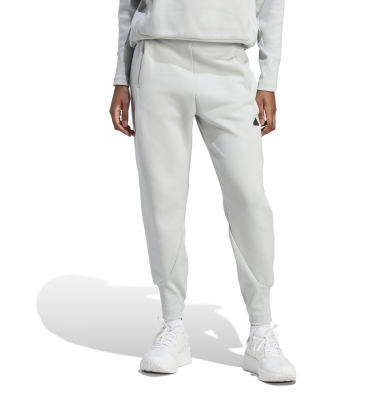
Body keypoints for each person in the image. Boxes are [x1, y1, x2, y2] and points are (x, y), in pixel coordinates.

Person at [109, 0, 296, 382]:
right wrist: (121, 76)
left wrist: (269, 79)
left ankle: (261, 331)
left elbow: (271, 4)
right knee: (162, 197)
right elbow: (129, 4)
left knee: (249, 199)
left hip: (229, 65)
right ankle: (173, 326)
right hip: (156, 60)